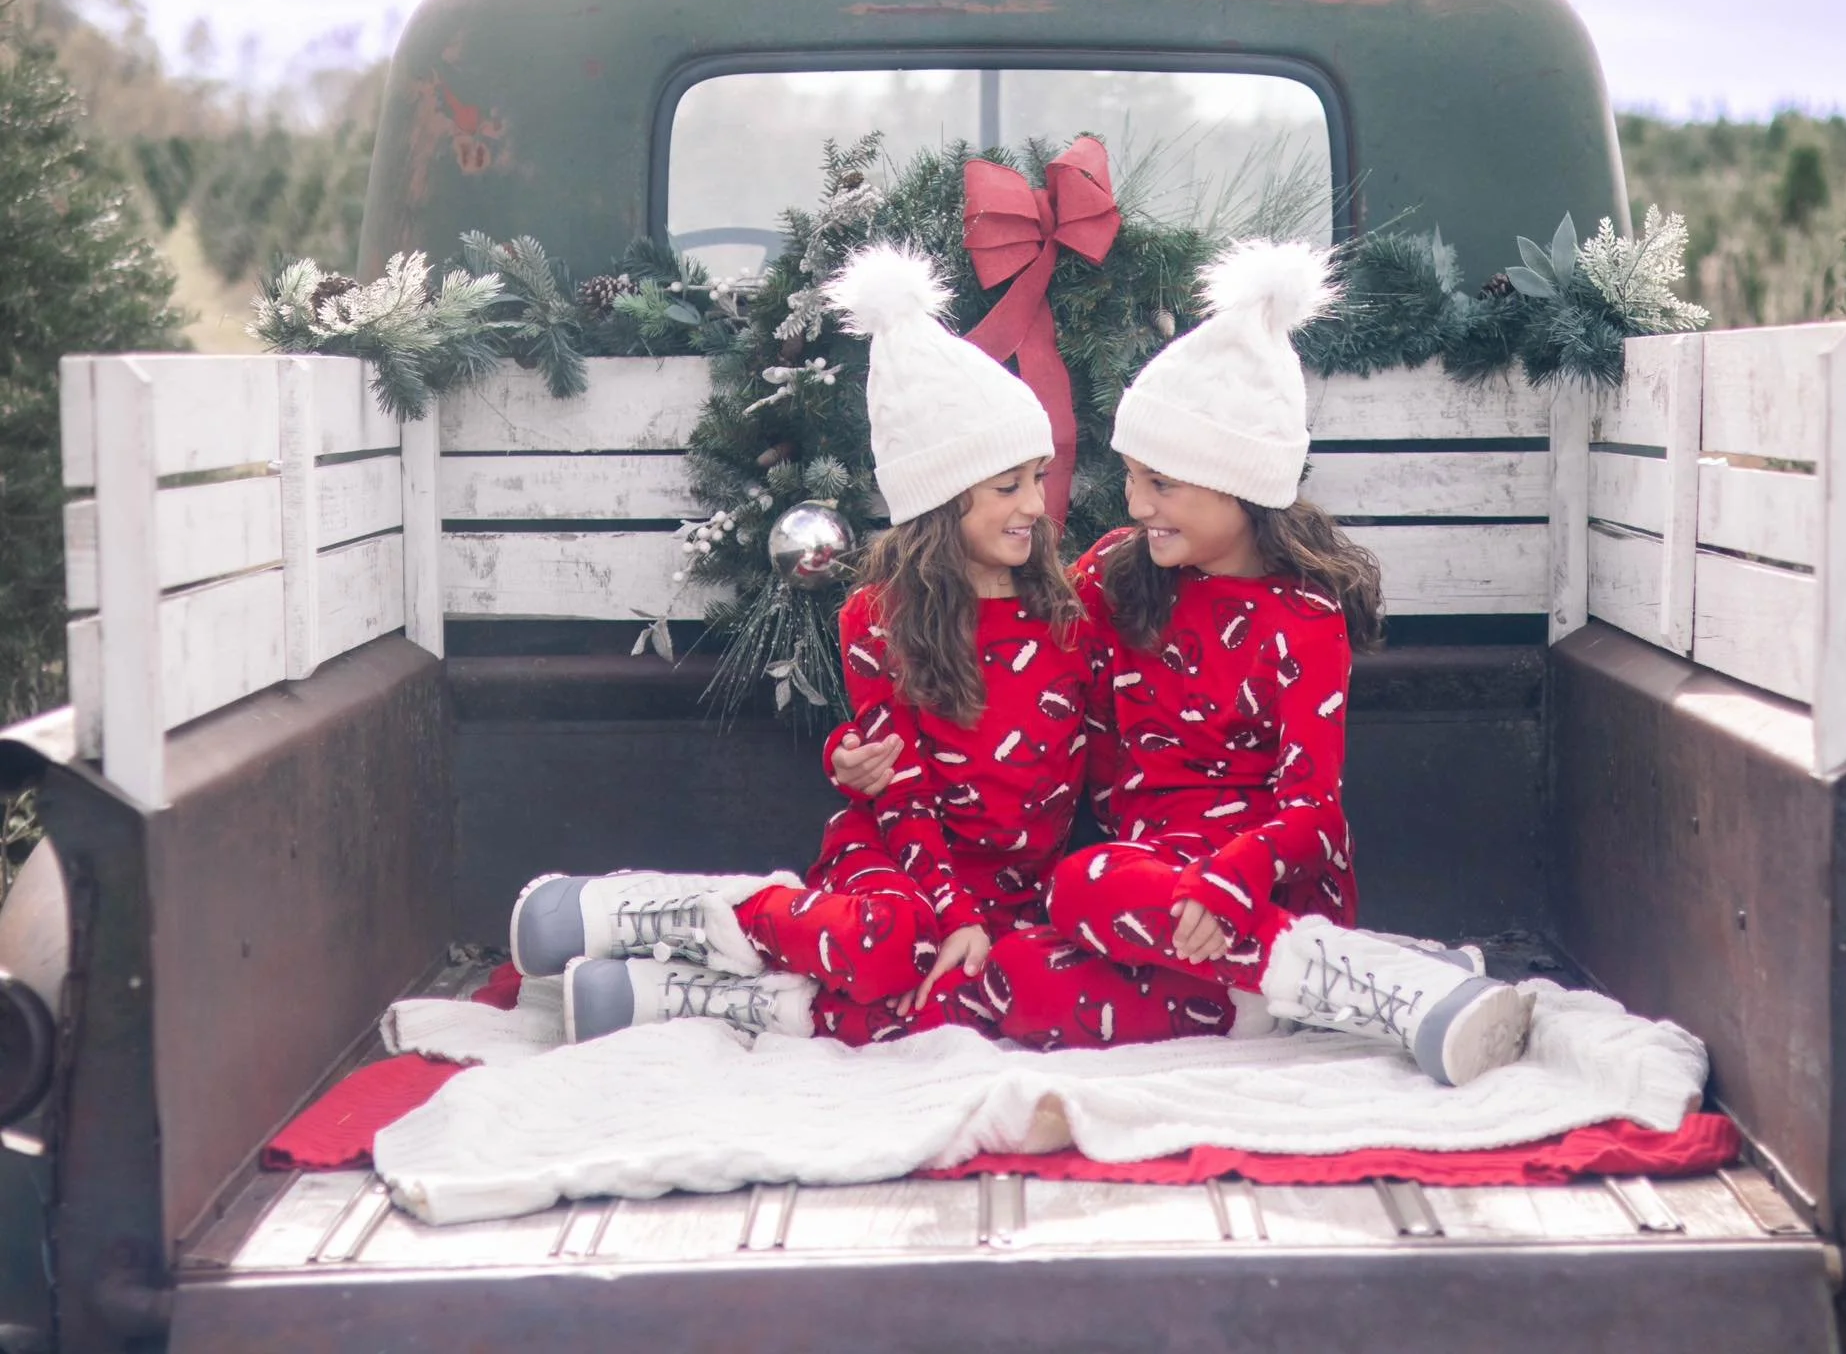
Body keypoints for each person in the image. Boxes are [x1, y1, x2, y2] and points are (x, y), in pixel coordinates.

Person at [834, 240, 1530, 1086]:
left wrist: (1229, 884)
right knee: (1023, 964)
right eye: (1131, 478)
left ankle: (1366, 981)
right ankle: (1312, 995)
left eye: (1160, 484)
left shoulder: (1305, 621)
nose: (1135, 506)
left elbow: (1313, 810)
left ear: (1235, 481)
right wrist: (868, 754)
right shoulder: (1120, 578)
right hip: (1142, 891)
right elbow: (1003, 654)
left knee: (1079, 884)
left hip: (1259, 885)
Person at [505, 245, 1217, 1045]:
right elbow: (903, 798)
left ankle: (694, 998)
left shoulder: (1071, 608)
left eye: (1037, 477)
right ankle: (662, 911)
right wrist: (949, 912)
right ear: (944, 499)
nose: (1035, 506)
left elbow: (1114, 731)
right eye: (1008, 485)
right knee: (896, 943)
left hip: (1018, 893)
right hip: (901, 868)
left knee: (982, 994)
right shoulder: (880, 619)